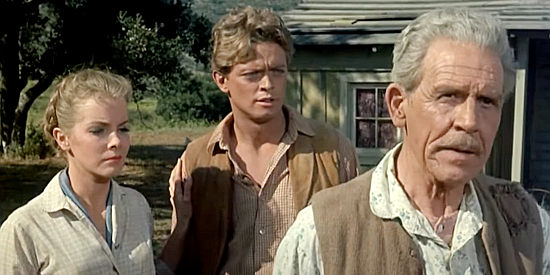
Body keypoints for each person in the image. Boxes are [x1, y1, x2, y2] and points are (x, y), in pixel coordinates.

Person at [274, 8, 550, 275]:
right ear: (398, 106)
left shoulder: (528, 226)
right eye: (448, 96)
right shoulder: (321, 232)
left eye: (487, 101)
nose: (469, 121)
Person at [158, 6, 358, 275]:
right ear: (221, 79)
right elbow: (182, 257)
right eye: (253, 74)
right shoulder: (199, 159)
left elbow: (358, 245)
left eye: (277, 71)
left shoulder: (330, 150)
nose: (268, 84)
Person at [0, 69, 155, 274]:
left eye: (123, 129)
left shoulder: (137, 206)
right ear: (62, 138)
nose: (116, 141)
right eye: (98, 130)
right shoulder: (25, 227)